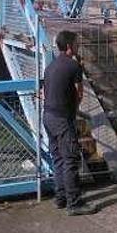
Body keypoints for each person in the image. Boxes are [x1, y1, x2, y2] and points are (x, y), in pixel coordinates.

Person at [42, 30, 98, 216]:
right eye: (76, 43)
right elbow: (79, 93)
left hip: (48, 116)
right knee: (71, 159)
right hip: (62, 119)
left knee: (57, 158)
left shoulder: (49, 67)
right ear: (68, 47)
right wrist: (73, 111)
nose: (78, 46)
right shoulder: (74, 66)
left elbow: (45, 92)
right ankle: (74, 204)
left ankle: (60, 198)